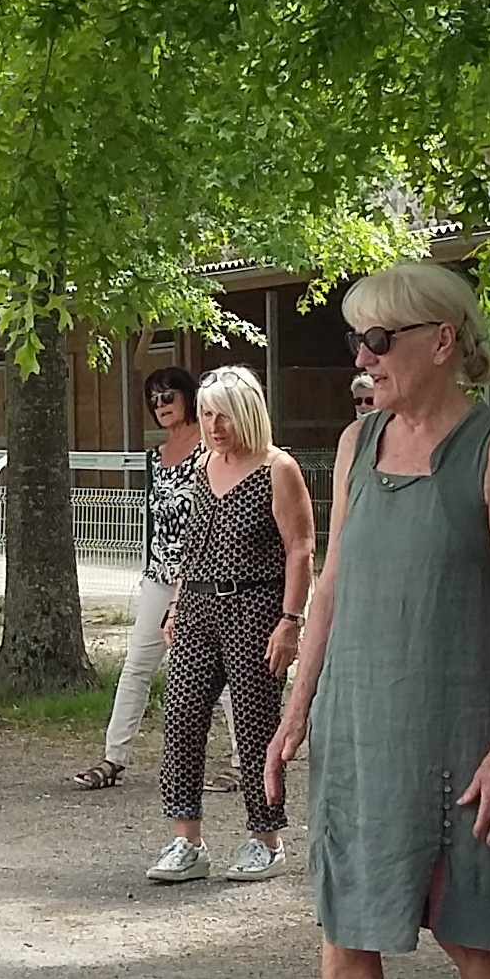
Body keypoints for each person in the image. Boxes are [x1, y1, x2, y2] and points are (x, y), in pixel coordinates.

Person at [266, 260, 490, 979]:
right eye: (358, 340)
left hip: (458, 720)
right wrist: (295, 708)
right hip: (359, 720)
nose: (365, 356)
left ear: (442, 341)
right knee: (344, 924)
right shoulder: (356, 444)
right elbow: (335, 580)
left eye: (380, 339)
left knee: (470, 922)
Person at [146, 367, 316, 884]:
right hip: (197, 605)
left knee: (255, 723)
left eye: (223, 415)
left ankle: (267, 838)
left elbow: (301, 548)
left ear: (247, 413)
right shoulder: (203, 464)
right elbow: (191, 542)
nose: (214, 426)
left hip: (254, 609)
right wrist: (176, 603)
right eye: (206, 415)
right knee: (181, 717)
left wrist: (290, 621)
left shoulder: (277, 468)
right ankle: (186, 839)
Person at [78, 366, 204, 790]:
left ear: (189, 397)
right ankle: (114, 757)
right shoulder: (156, 457)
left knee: (212, 663)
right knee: (137, 665)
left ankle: (245, 761)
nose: (161, 406)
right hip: (159, 573)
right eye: (154, 399)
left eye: (169, 396)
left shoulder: (210, 449)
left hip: (202, 573)